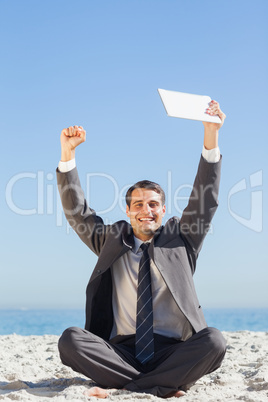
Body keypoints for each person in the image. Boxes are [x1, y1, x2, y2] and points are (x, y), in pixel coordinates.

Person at [56, 100, 227, 399]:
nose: (145, 210)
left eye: (152, 205)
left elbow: (205, 200)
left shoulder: (182, 238)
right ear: (128, 210)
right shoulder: (112, 240)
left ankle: (127, 386)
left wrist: (210, 135)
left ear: (163, 210)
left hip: (172, 351)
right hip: (121, 350)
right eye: (138, 205)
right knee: (71, 340)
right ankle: (160, 386)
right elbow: (77, 214)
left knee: (214, 341)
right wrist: (68, 155)